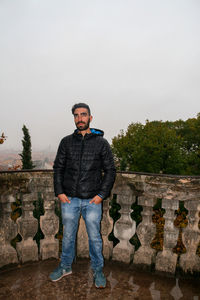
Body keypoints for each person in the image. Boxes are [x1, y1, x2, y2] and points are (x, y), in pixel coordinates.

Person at [49, 103, 116, 288]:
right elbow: (58, 169)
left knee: (95, 237)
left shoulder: (101, 143)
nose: (80, 118)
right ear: (74, 118)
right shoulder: (66, 142)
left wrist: (101, 195)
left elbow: (110, 170)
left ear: (90, 118)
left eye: (83, 115)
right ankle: (65, 267)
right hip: (69, 199)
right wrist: (60, 192)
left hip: (93, 200)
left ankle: (97, 269)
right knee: (68, 236)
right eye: (76, 115)